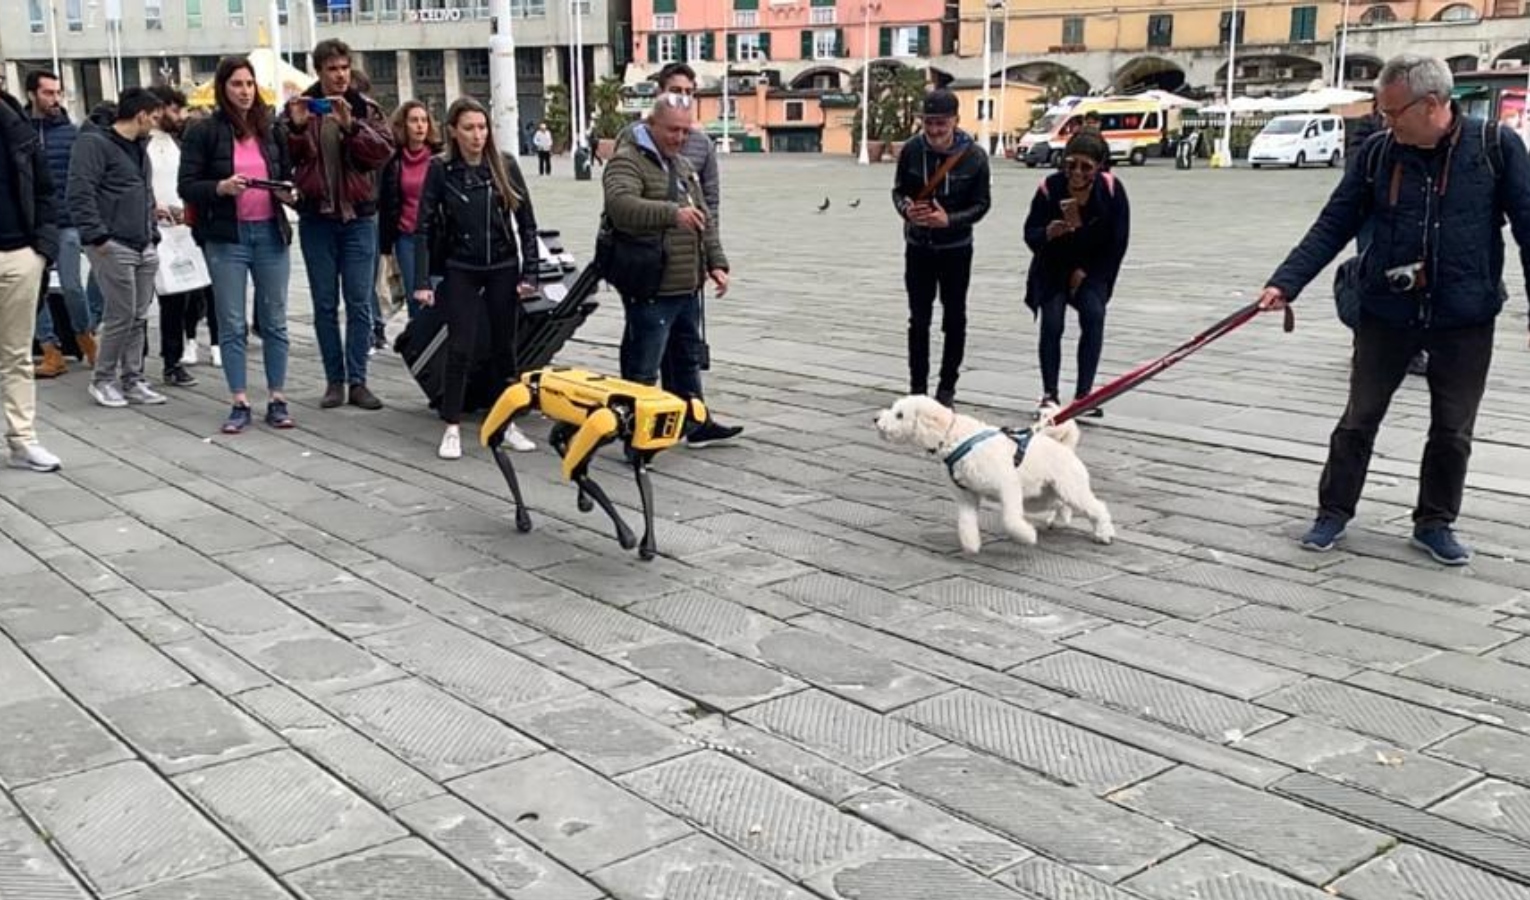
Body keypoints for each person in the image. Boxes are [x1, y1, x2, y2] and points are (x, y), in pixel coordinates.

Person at [1257, 54, 1530, 566]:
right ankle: (1333, 512)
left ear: (1432, 105)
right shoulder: (1380, 153)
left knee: (1453, 427)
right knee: (1359, 417)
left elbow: (1529, 228)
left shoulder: (1496, 147)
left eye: (1393, 111)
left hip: (1465, 315)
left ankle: (1435, 522)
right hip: (1386, 308)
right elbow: (1333, 223)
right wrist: (1286, 282)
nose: (1385, 121)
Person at [603, 92, 740, 445]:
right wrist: (670, 213)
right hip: (650, 283)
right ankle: (635, 434)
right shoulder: (627, 160)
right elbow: (621, 205)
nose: (679, 138)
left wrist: (716, 263)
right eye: (672, 130)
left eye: (685, 131)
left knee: (686, 359)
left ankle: (694, 422)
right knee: (643, 366)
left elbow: (702, 217)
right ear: (651, 125)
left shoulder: (681, 164)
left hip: (684, 282)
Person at [411, 98, 540, 461]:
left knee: (505, 346)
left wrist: (530, 272)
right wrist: (423, 280)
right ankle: (452, 424)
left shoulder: (505, 166)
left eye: (482, 127)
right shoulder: (441, 169)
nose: (477, 135)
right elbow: (421, 226)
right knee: (461, 345)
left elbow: (528, 223)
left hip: (502, 264)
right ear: (453, 130)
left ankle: (509, 421)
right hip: (461, 266)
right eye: (469, 128)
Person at [179, 56, 296, 435]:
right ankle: (239, 400)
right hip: (227, 237)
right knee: (231, 322)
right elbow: (187, 185)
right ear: (222, 88)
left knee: (275, 319)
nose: (245, 92)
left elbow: (287, 175)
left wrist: (289, 193)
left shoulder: (271, 130)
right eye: (237, 85)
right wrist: (220, 188)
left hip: (269, 231)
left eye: (249, 84)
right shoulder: (205, 132)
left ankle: (277, 397)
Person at [283, 38, 394, 411]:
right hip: (317, 218)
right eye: (332, 69)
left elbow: (381, 154)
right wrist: (297, 130)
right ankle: (335, 380)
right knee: (325, 304)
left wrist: (352, 128)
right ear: (319, 72)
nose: (340, 75)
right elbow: (284, 158)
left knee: (360, 302)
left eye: (345, 67)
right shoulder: (300, 109)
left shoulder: (366, 109)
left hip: (360, 218)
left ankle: (358, 380)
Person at [890, 88, 990, 408]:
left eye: (941, 124)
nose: (934, 131)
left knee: (954, 317)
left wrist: (950, 220)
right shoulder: (911, 150)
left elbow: (982, 204)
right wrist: (907, 209)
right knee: (918, 319)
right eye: (929, 123)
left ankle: (947, 387)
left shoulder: (974, 156)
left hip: (955, 247)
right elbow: (898, 191)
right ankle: (917, 388)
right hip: (918, 245)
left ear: (955, 121)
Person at [69, 87, 166, 409]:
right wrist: (99, 238)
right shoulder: (94, 143)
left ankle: (133, 379)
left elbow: (144, 191)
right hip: (113, 243)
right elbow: (80, 192)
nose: (155, 123)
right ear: (140, 115)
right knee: (120, 314)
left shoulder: (140, 147)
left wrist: (152, 232)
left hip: (142, 242)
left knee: (138, 316)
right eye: (153, 117)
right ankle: (103, 379)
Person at [1022, 131, 1130, 416]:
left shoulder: (1111, 191)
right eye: (1071, 164)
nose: (1077, 173)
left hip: (1093, 267)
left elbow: (1117, 242)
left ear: (1099, 167)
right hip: (1052, 265)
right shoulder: (1050, 187)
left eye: (1085, 167)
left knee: (1094, 316)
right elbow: (1029, 232)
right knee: (1052, 324)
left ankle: (1085, 395)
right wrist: (1047, 232)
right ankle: (1050, 394)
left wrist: (1087, 272)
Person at [0, 82, 63, 471]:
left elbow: (45, 189)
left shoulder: (14, 122)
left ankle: (22, 439)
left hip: (19, 251)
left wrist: (42, 248)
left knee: (17, 354)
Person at [24, 70, 92, 377]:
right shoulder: (18, 129)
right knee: (33, 290)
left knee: (72, 286)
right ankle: (50, 349)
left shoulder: (71, 131)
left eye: (57, 93)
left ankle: (85, 337)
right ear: (31, 95)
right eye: (48, 93)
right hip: (31, 223)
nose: (54, 99)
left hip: (65, 221)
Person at [146, 85, 212, 389]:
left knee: (183, 296)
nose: (180, 116)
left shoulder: (178, 142)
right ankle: (139, 359)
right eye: (175, 109)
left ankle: (172, 360)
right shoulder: (142, 144)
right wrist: (152, 207)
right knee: (148, 301)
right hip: (151, 229)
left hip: (181, 229)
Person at [379, 100, 442, 321]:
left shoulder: (439, 158)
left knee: (439, 290)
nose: (420, 126)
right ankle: (419, 343)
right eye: (414, 120)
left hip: (437, 235)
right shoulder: (394, 161)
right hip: (407, 236)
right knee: (415, 294)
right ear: (403, 125)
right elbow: (387, 203)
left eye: (424, 120)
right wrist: (385, 243)